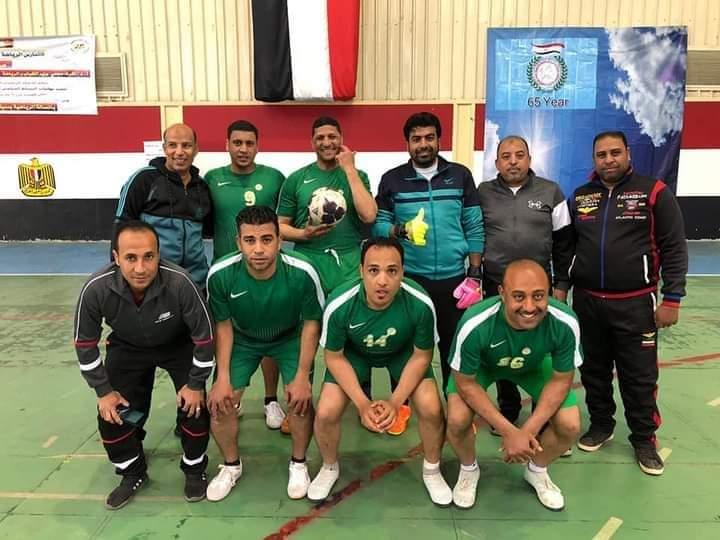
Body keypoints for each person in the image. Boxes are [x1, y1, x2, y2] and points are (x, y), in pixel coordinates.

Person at [569, 131, 688, 475]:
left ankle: (644, 439)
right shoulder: (581, 196)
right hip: (588, 301)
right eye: (601, 154)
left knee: (639, 376)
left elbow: (674, 247)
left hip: (635, 303)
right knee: (593, 370)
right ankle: (601, 424)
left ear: (628, 154)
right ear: (594, 159)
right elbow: (567, 247)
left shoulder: (654, 193)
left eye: (615, 152)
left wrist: (672, 298)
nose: (608, 160)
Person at [73, 220, 214, 510]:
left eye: (148, 257)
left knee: (195, 408)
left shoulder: (180, 283)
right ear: (116, 258)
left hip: (178, 344)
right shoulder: (96, 289)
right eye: (131, 258)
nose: (140, 268)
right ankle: (132, 471)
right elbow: (85, 345)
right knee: (114, 414)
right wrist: (103, 392)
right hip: (128, 346)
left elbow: (205, 337)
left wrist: (196, 384)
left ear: (159, 255)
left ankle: (194, 468)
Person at [308, 237, 452, 506]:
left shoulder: (420, 302)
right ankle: (329, 467)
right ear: (361, 271)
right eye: (373, 270)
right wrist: (362, 404)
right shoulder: (339, 303)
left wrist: (396, 402)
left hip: (402, 353)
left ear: (403, 272)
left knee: (431, 408)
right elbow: (334, 357)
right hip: (355, 354)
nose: (382, 281)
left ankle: (432, 470)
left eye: (392, 271)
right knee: (326, 411)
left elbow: (422, 355)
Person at [373, 111, 484, 433]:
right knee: (407, 348)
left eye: (429, 137)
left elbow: (474, 226)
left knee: (454, 349)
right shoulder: (392, 179)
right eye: (416, 139)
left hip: (455, 280)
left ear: (439, 139)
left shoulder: (460, 176)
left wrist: (474, 273)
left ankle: (457, 406)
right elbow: (378, 226)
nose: (423, 144)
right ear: (407, 143)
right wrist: (401, 230)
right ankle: (402, 407)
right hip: (411, 281)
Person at [204, 206, 324, 501]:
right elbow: (223, 326)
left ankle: (299, 463)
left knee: (299, 401)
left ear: (280, 240)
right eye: (250, 240)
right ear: (238, 242)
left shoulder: (303, 271)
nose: (258, 249)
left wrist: (302, 375)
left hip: (289, 338)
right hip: (243, 339)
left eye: (267, 239)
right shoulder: (220, 274)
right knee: (221, 402)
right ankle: (231, 466)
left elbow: (312, 323)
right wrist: (222, 378)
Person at [445, 259, 582, 511]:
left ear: (549, 292)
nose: (529, 306)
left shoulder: (565, 321)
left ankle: (537, 470)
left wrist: (526, 431)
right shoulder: (474, 323)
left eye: (538, 296)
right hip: (484, 367)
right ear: (502, 293)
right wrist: (509, 431)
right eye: (519, 296)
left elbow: (562, 379)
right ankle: (468, 468)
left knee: (570, 424)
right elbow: (465, 383)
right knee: (456, 418)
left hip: (534, 364)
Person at [478, 135, 573, 429]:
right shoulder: (483, 193)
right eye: (506, 157)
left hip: (539, 291)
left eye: (519, 155)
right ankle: (508, 409)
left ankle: (542, 415)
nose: (513, 162)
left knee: (541, 351)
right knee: (500, 348)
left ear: (530, 159)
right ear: (497, 163)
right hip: (496, 285)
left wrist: (561, 285)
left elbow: (564, 242)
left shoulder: (551, 191)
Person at [205, 120, 287, 431]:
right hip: (227, 275)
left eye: (249, 143)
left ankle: (271, 400)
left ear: (257, 145)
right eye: (237, 143)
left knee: (270, 334)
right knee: (226, 333)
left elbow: (285, 220)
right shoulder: (212, 179)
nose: (243, 149)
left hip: (267, 272)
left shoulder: (274, 178)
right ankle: (229, 391)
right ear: (227, 144)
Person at [276, 115, 377, 293]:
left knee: (345, 310)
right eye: (320, 138)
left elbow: (369, 216)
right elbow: (279, 226)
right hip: (308, 259)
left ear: (341, 139)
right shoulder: (296, 179)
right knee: (310, 310)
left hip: (349, 263)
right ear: (312, 143)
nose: (327, 142)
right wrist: (303, 234)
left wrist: (349, 169)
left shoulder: (358, 176)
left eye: (332, 137)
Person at [114, 123, 212, 290]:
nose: (179, 152)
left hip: (196, 283)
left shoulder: (201, 187)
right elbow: (121, 226)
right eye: (172, 145)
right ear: (164, 148)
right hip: (156, 283)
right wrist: (118, 278)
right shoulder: (143, 180)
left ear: (196, 149)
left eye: (186, 145)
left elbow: (205, 231)